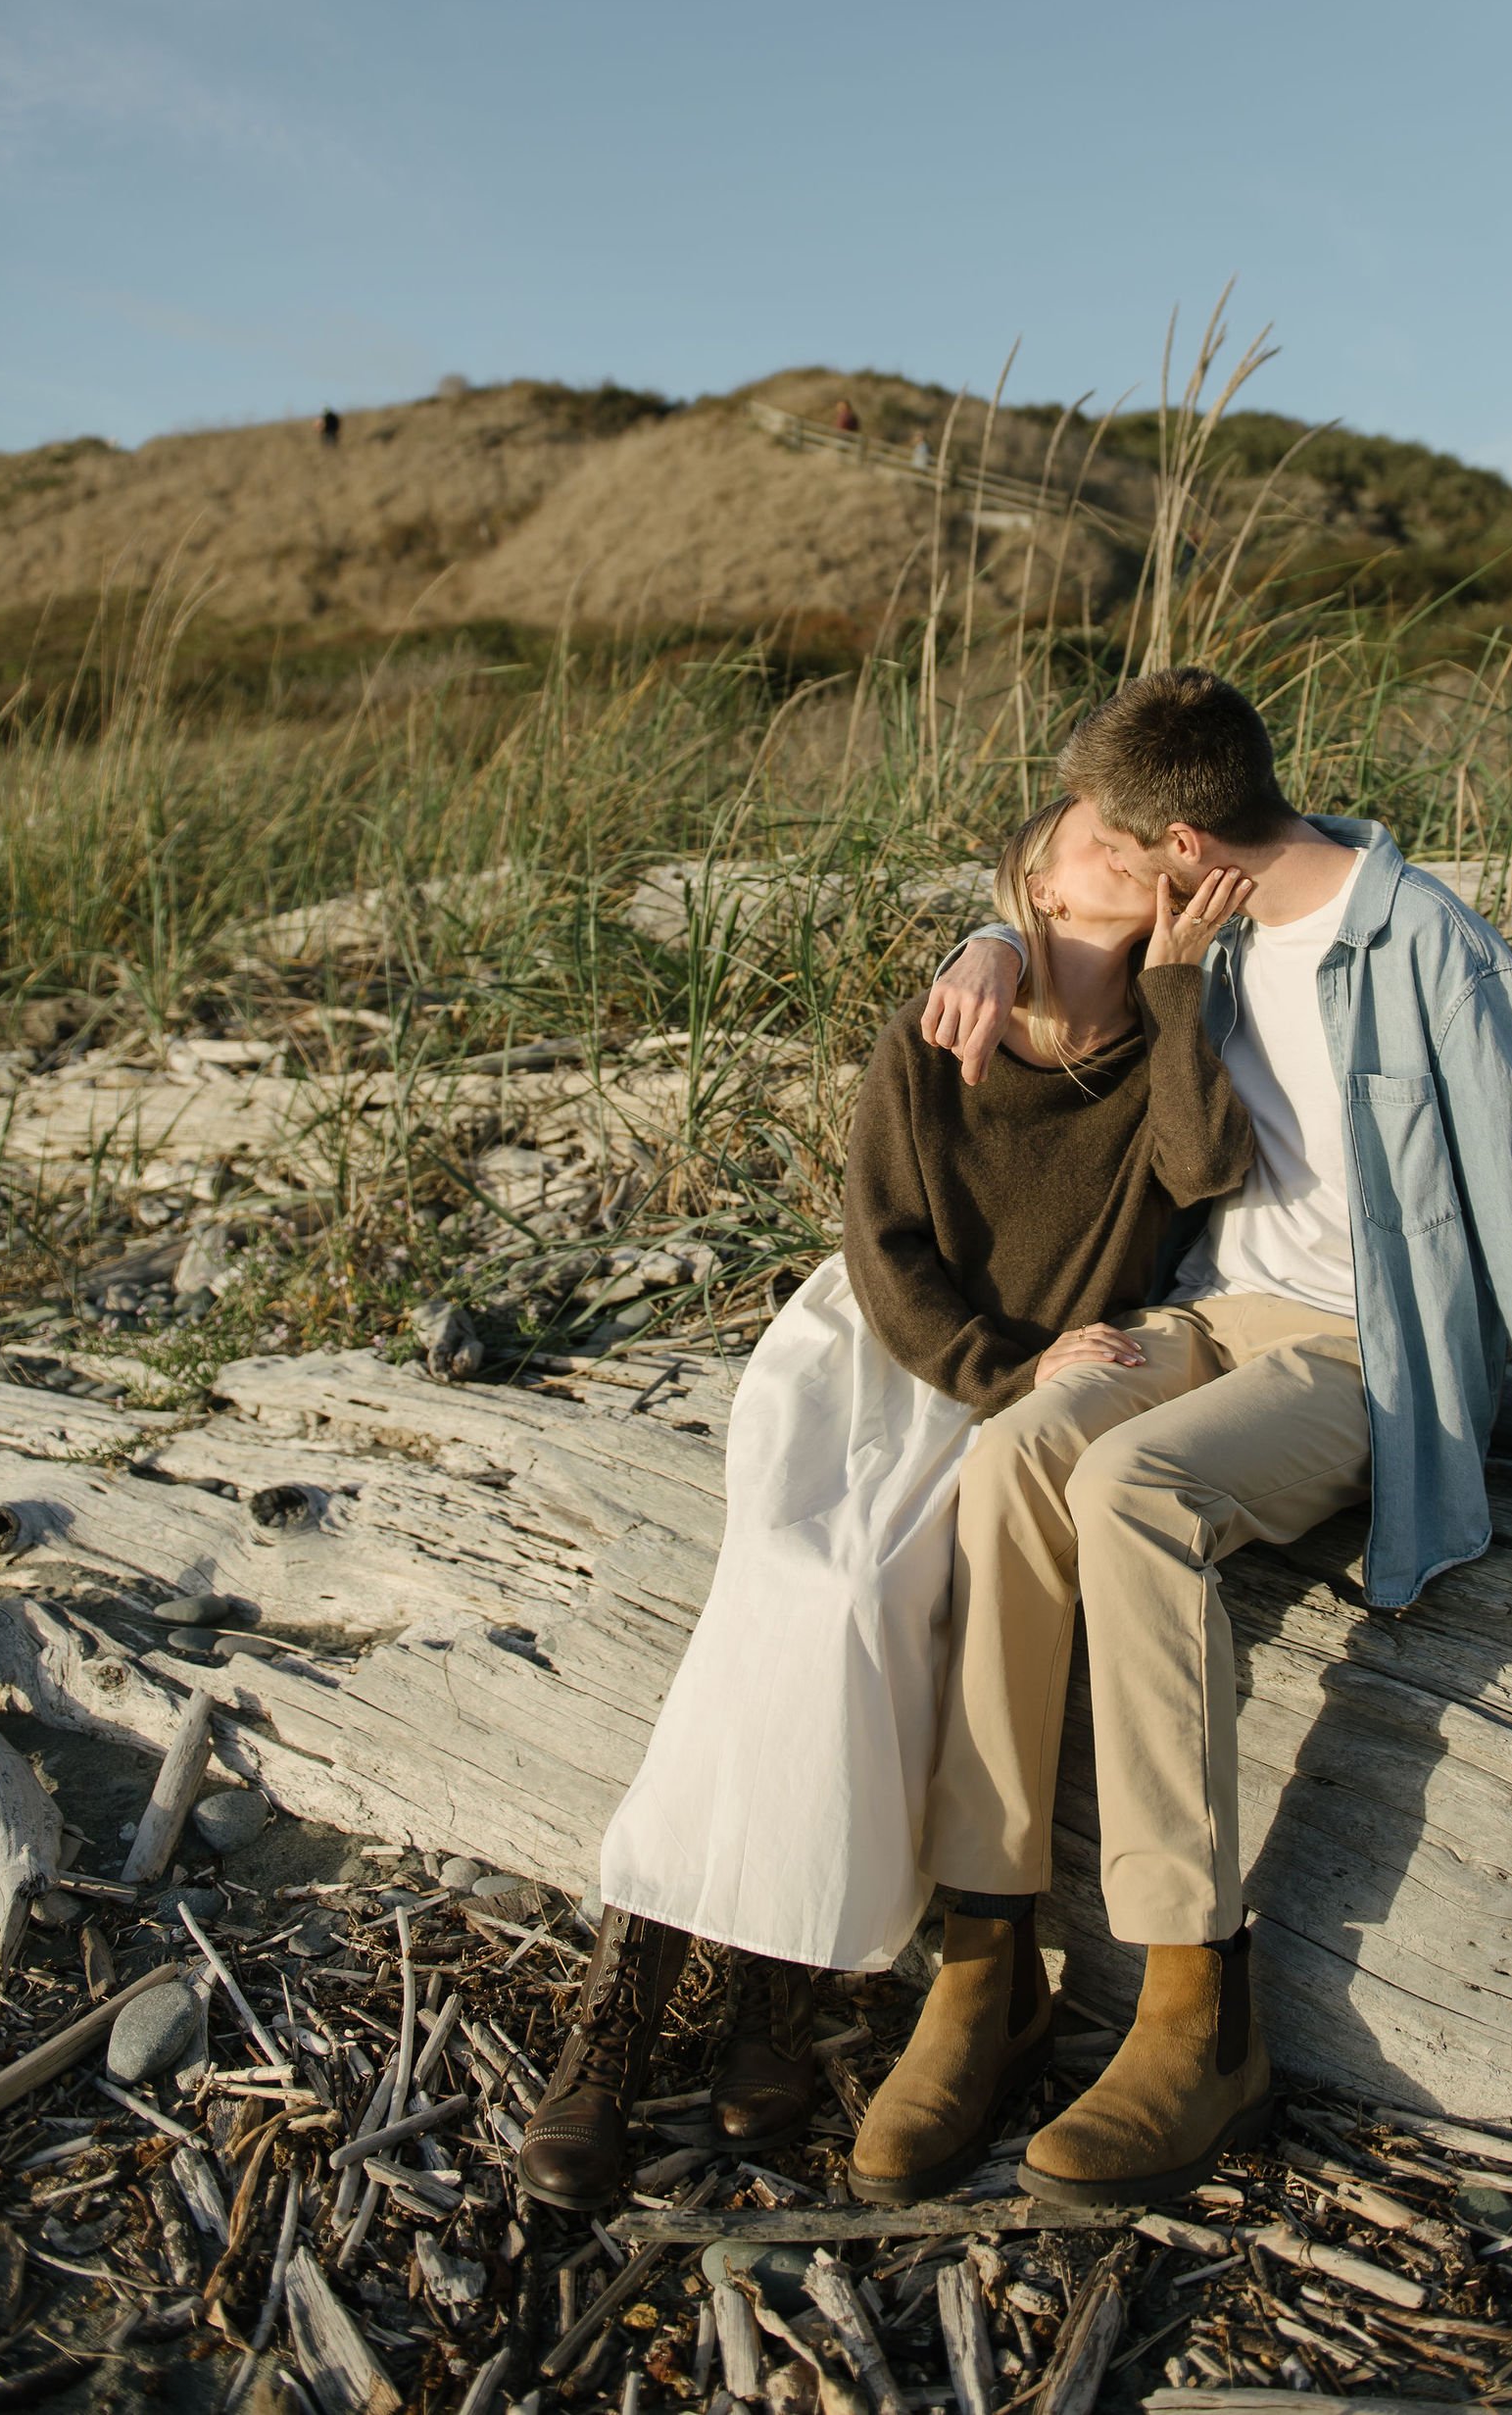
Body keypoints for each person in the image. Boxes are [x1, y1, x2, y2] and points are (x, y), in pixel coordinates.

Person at [850, 665, 1512, 2209]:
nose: (1084, 847)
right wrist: (989, 936)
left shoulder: (1429, 948)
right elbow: (1038, 902)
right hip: (1211, 1311)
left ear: (1188, 843)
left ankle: (1195, 2004)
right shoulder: (1199, 926)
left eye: (1110, 833)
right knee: (1017, 1452)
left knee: (1132, 1483)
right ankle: (989, 1954)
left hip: (1369, 1352)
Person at [516, 796, 1255, 2214]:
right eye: (1090, 832)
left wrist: (1170, 987)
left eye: (1139, 833)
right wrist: (1001, 1364)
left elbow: (1205, 1171)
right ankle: (624, 2006)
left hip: (1037, 1383)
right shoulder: (941, 1024)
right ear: (1035, 880)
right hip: (883, 1356)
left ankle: (777, 1985)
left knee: (880, 1599)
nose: (1124, 844)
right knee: (802, 1585)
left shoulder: (1171, 1026)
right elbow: (885, 1246)